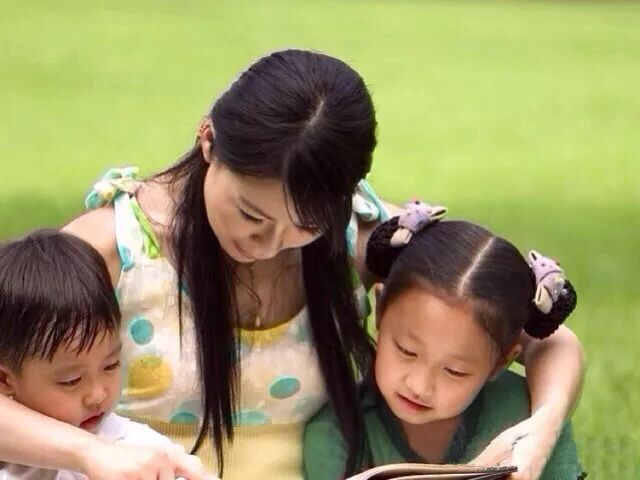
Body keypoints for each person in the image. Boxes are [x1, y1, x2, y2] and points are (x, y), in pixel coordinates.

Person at [0, 50, 584, 480]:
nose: (269, 244)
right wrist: (89, 453)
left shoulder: (365, 236)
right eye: (251, 214)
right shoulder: (116, 248)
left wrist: (541, 428)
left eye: (302, 225)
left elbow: (541, 334)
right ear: (209, 141)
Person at [304, 204, 586, 480]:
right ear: (379, 310)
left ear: (501, 362)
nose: (419, 386)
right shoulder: (335, 435)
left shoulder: (525, 419)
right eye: (407, 351)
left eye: (454, 371)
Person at [0, 229, 207, 479]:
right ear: (5, 379)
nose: (98, 395)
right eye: (71, 381)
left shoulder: (135, 451)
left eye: (110, 365)